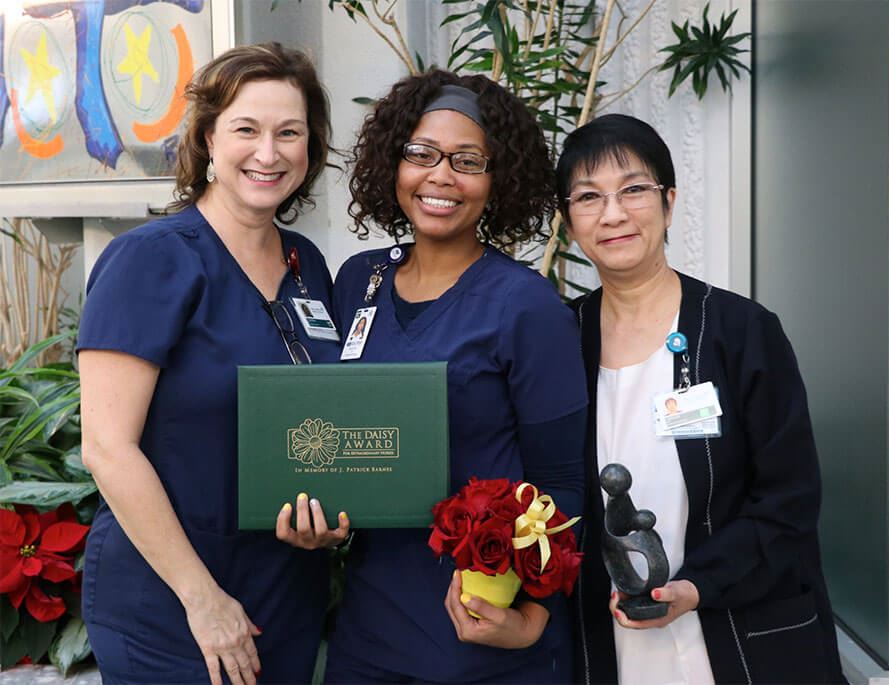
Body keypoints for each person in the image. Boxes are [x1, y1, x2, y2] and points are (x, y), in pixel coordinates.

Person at [77, 43, 347, 685]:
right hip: (170, 596)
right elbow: (107, 449)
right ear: (206, 139)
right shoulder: (151, 259)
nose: (269, 151)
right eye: (246, 129)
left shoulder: (307, 264)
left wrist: (330, 523)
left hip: (286, 586)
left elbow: (323, 421)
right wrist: (202, 600)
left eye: (290, 132)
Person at [307, 70, 587, 683]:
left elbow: (564, 481)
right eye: (422, 154)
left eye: (468, 160)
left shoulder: (525, 305)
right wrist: (314, 519)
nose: (441, 176)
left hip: (483, 627)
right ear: (393, 163)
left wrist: (534, 614)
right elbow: (329, 432)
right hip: (368, 625)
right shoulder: (359, 281)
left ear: (498, 181)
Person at [558, 114, 844, 684]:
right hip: (608, 640)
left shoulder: (740, 332)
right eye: (589, 197)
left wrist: (694, 586)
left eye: (633, 189)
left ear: (668, 201)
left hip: (740, 633)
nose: (612, 214)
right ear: (568, 223)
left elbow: (789, 500)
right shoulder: (558, 339)